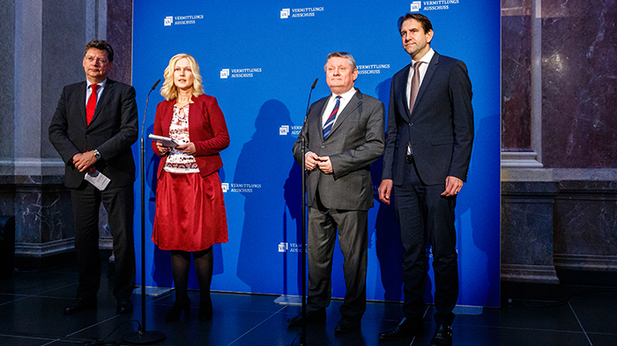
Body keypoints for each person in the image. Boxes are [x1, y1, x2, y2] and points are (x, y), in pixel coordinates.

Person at [377, 13, 474, 345]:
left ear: (429, 34)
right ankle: (412, 317)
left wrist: (457, 172)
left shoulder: (451, 68)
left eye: (413, 31)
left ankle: (445, 322)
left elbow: (464, 127)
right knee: (411, 252)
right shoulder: (397, 78)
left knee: (444, 252)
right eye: (402, 32)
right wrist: (388, 174)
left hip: (439, 177)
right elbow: (394, 133)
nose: (407, 37)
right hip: (404, 179)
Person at [289, 52, 385, 333]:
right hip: (316, 193)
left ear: (355, 74)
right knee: (317, 257)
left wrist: (337, 163)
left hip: (350, 193)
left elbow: (376, 146)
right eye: (330, 69)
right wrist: (303, 155)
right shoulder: (316, 106)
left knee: (353, 258)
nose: (335, 73)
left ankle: (352, 314)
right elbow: (300, 143)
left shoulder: (371, 106)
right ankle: (316, 307)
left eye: (342, 68)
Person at [49, 40, 138, 315]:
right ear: (83, 62)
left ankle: (123, 295)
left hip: (115, 175)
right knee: (84, 238)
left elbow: (129, 132)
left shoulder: (124, 92)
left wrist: (95, 155)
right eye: (90, 58)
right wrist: (77, 157)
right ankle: (85, 295)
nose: (95, 64)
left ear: (109, 65)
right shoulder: (69, 92)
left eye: (101, 60)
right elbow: (56, 130)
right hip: (80, 175)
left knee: (122, 238)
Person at [151, 53, 230, 322]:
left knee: (201, 240)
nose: (182, 74)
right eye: (177, 70)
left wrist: (197, 147)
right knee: (177, 242)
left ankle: (205, 299)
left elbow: (223, 138)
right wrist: (159, 147)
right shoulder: (163, 107)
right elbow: (157, 143)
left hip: (199, 180)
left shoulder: (208, 103)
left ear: (194, 74)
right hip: (171, 181)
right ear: (170, 75)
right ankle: (180, 299)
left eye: (187, 69)